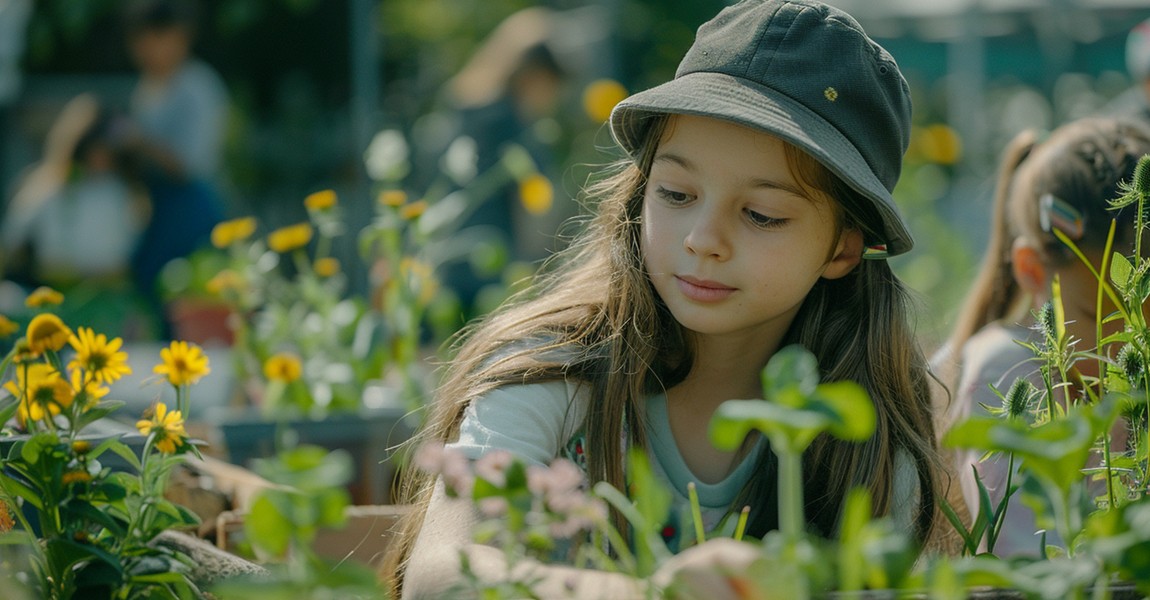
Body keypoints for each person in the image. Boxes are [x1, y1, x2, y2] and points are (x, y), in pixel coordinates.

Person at [383, 0, 952, 597]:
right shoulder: (552, 372)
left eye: (761, 214)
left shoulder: (865, 438)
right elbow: (442, 578)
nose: (703, 240)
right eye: (677, 194)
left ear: (841, 248)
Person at [933, 116, 1150, 557]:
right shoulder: (1005, 370)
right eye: (1101, 318)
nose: (1131, 350)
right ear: (1032, 270)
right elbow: (1028, 559)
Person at [1, 93, 152, 337]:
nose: (100, 157)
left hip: (109, 298)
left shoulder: (125, 190)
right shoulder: (49, 185)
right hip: (57, 296)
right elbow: (13, 237)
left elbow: (132, 238)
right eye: (94, 147)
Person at [120, 0, 228, 339]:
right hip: (156, 211)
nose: (145, 50)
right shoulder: (147, 89)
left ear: (180, 36)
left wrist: (141, 141)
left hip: (191, 210)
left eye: (153, 38)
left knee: (192, 303)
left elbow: (191, 164)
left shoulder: (198, 87)